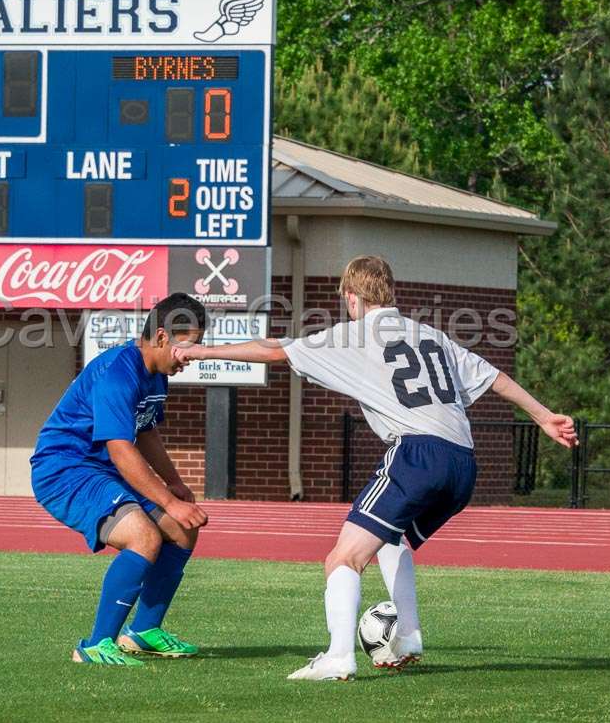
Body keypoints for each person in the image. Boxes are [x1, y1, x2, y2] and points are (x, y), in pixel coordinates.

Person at [175, 256, 577, 680]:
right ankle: (407, 636)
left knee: (343, 558)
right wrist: (543, 415)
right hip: (463, 461)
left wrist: (201, 350)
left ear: (352, 296)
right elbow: (493, 376)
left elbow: (274, 349)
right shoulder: (431, 334)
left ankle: (338, 656)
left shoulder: (354, 335)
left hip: (417, 454)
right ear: (390, 291)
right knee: (391, 538)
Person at [31, 292, 210, 666]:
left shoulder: (156, 375)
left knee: (180, 528)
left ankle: (143, 633)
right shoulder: (117, 373)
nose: (191, 357)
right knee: (143, 536)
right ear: (162, 338)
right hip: (66, 469)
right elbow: (122, 450)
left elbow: (145, 432)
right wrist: (169, 500)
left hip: (103, 469)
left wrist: (174, 483)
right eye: (188, 347)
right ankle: (94, 645)